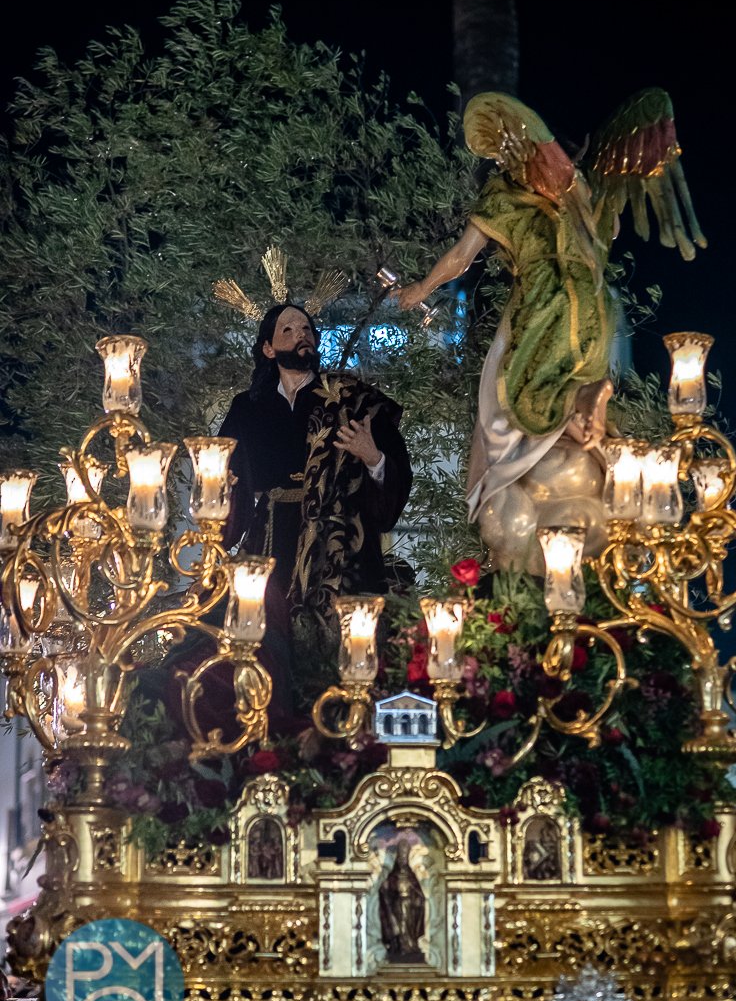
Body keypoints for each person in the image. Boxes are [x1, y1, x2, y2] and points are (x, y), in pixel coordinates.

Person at [395, 89, 705, 573]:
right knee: (557, 390)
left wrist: (421, 287)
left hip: (542, 309)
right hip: (592, 307)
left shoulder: (513, 194)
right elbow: (613, 233)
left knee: (514, 401)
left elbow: (461, 258)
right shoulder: (589, 193)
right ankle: (589, 403)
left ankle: (576, 414)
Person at [219, 302, 412, 622]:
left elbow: (396, 471)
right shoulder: (249, 407)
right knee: (261, 629)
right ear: (269, 348)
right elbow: (227, 478)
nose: (301, 335)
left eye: (307, 328)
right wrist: (222, 488)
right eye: (289, 330)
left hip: (338, 539)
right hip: (273, 539)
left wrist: (372, 456)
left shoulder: (353, 399)